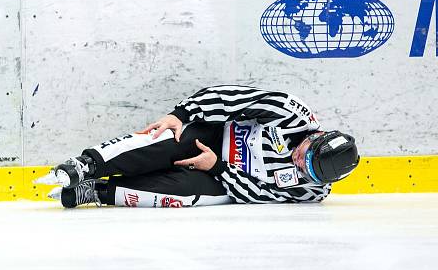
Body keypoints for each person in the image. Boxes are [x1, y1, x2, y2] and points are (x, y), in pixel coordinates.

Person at [37, 85, 360, 208]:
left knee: (185, 196)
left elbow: (259, 195)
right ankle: (87, 165)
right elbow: (231, 97)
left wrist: (217, 167)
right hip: (214, 135)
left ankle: (97, 192)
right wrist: (182, 114)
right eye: (307, 156)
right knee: (167, 141)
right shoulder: (289, 113)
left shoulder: (311, 191)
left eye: (310, 171)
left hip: (224, 178)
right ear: (315, 136)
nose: (300, 163)